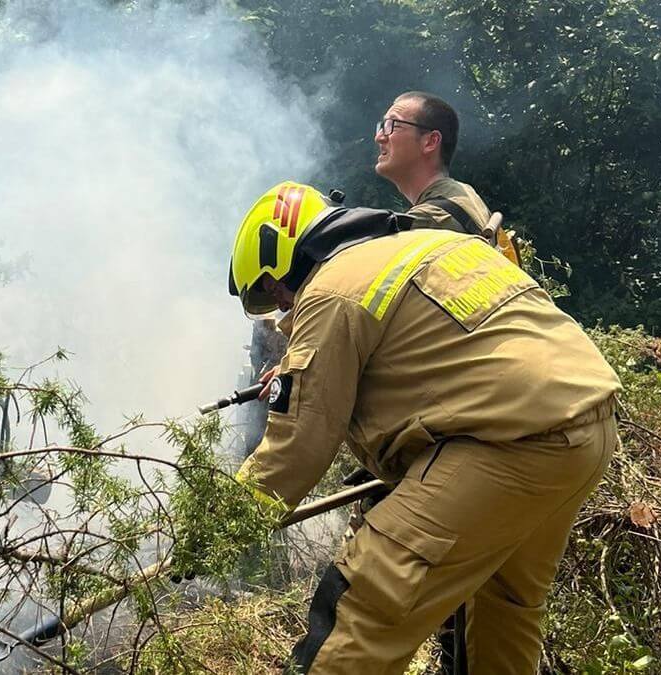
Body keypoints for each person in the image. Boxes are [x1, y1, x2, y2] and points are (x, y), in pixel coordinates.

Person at [227, 181, 621, 674]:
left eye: (272, 288)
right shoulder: (434, 244)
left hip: (503, 447)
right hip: (587, 430)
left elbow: (297, 450)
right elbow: (436, 361)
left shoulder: (330, 290)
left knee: (363, 605)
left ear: (286, 252)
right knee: (501, 614)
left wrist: (221, 523)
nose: (283, 304)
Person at [375, 91, 519, 265]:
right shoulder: (463, 193)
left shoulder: (430, 221)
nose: (379, 137)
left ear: (430, 142)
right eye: (382, 126)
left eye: (393, 125)